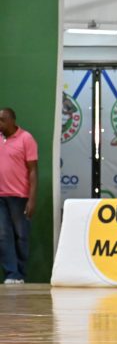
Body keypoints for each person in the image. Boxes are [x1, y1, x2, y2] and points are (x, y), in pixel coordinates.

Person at [0, 108, 38, 284]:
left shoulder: (26, 138)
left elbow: (33, 170)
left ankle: (20, 275)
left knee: (21, 236)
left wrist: (32, 199)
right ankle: (11, 274)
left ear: (12, 120)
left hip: (20, 196)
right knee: (3, 236)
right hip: (1, 197)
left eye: (2, 120)